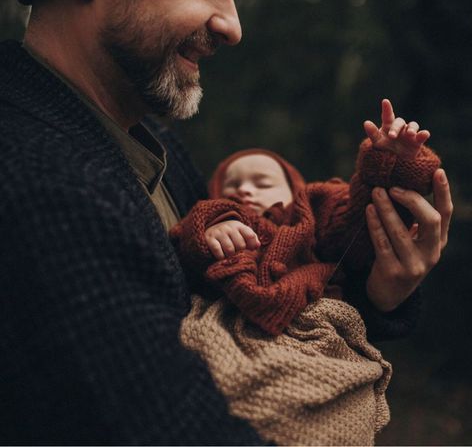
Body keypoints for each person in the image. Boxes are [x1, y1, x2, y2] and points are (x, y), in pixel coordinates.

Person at [0, 0, 452, 444]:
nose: (232, 25)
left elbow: (237, 333)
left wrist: (375, 295)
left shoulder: (147, 147)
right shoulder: (35, 183)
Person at [172, 98, 441, 336]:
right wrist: (213, 228)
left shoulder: (311, 211)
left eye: (262, 183)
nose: (243, 189)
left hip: (316, 331)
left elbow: (357, 220)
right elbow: (187, 236)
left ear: (294, 191)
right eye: (232, 185)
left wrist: (391, 164)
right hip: (226, 329)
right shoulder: (215, 216)